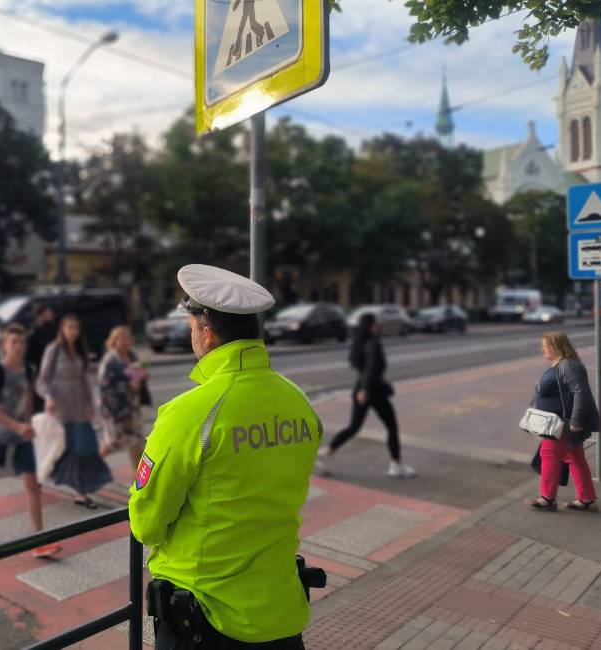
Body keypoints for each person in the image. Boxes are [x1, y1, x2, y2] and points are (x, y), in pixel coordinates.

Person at [128, 264, 322, 649]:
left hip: (206, 619)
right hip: (281, 612)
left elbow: (146, 524)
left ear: (207, 331)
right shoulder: (297, 400)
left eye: (190, 327)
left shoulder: (188, 413)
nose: (191, 337)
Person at [0, 324, 61, 558]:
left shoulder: (28, 369)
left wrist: (31, 421)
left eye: (22, 342)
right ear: (4, 345)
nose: (18, 346)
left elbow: (28, 397)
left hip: (21, 434)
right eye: (13, 342)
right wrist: (17, 426)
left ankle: (38, 539)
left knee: (32, 485)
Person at [316, 312, 417, 479]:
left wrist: (362, 389)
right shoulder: (373, 344)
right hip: (373, 391)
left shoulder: (358, 344)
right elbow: (372, 367)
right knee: (392, 427)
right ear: (371, 326)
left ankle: (327, 451)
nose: (378, 326)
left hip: (361, 390)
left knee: (354, 427)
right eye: (376, 323)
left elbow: (363, 369)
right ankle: (396, 465)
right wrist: (365, 389)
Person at [37, 313, 112, 508]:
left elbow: (85, 381)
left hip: (78, 407)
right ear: (62, 329)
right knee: (60, 449)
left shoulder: (80, 351)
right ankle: (39, 475)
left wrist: (90, 405)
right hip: (60, 408)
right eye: (69, 327)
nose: (73, 332)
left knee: (85, 448)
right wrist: (49, 398)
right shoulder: (54, 350)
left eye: (76, 328)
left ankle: (81, 492)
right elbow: (42, 381)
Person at [526, 332, 600, 512]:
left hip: (563, 424)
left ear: (558, 347)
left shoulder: (568, 366)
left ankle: (547, 498)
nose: (542, 349)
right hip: (561, 422)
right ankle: (586, 498)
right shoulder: (563, 364)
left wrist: (575, 419)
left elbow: (580, 393)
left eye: (546, 346)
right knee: (574, 457)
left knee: (549, 454)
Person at [98, 325, 149, 471]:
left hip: (132, 407)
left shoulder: (132, 356)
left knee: (137, 443)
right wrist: (128, 385)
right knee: (111, 444)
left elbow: (138, 375)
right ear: (114, 341)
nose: (125, 342)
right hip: (116, 410)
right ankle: (92, 466)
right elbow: (105, 386)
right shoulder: (110, 360)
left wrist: (142, 377)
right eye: (121, 339)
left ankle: (138, 479)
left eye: (127, 338)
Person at [26, 305, 57, 412]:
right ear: (40, 316)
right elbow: (28, 359)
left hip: (53, 376)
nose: (51, 316)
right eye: (48, 314)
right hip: (38, 377)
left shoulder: (52, 332)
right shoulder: (33, 336)